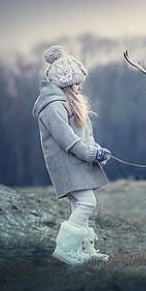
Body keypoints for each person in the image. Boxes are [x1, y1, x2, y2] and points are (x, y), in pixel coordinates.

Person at [32, 45, 111, 265]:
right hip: (68, 165)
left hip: (79, 163)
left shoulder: (69, 103)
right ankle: (65, 249)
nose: (80, 86)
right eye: (77, 82)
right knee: (87, 203)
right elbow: (67, 139)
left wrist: (97, 152)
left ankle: (83, 249)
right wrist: (90, 154)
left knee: (79, 205)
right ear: (65, 83)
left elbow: (85, 134)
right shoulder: (53, 106)